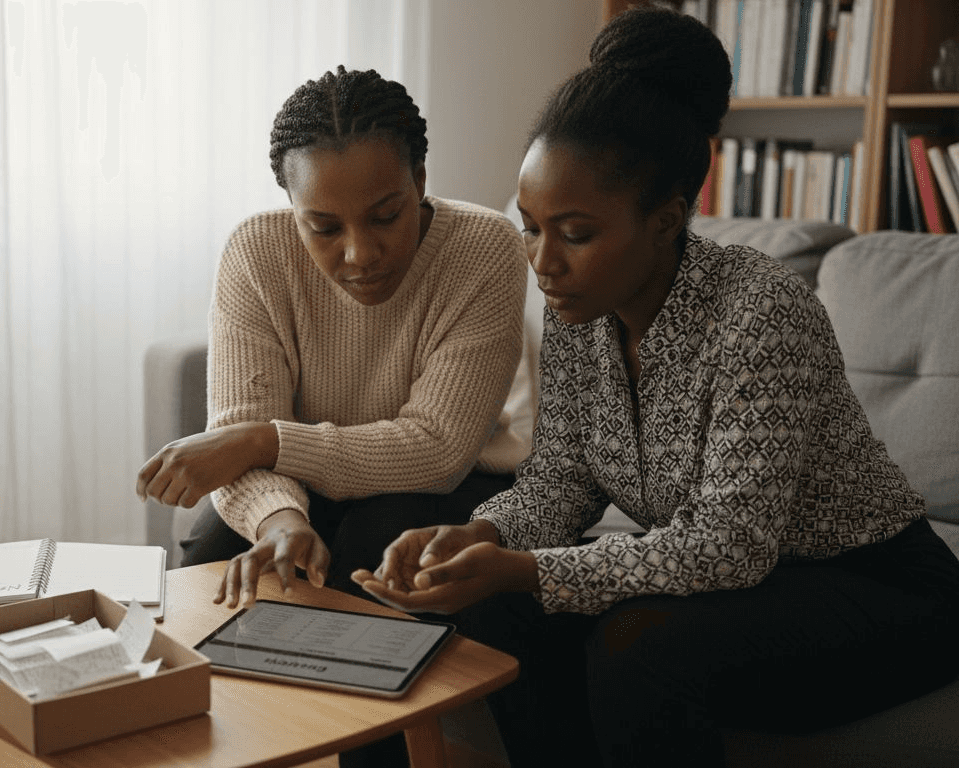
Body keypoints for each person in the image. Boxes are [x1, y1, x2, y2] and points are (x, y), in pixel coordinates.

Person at [352, 8, 959, 768]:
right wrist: (485, 537)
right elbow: (562, 481)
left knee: (635, 647)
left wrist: (529, 568)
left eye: (574, 233)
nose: (543, 263)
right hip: (753, 584)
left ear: (666, 219)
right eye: (530, 227)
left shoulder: (759, 309)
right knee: (498, 609)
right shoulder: (580, 313)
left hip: (880, 587)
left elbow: (730, 547)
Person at [137, 65, 527, 607]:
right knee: (213, 560)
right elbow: (234, 437)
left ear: (419, 179)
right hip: (298, 479)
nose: (359, 254)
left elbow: (438, 448)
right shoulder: (256, 253)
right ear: (292, 209)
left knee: (372, 549)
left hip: (444, 484)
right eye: (323, 227)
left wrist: (264, 440)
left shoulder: (484, 248)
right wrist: (278, 519)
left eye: (387, 216)